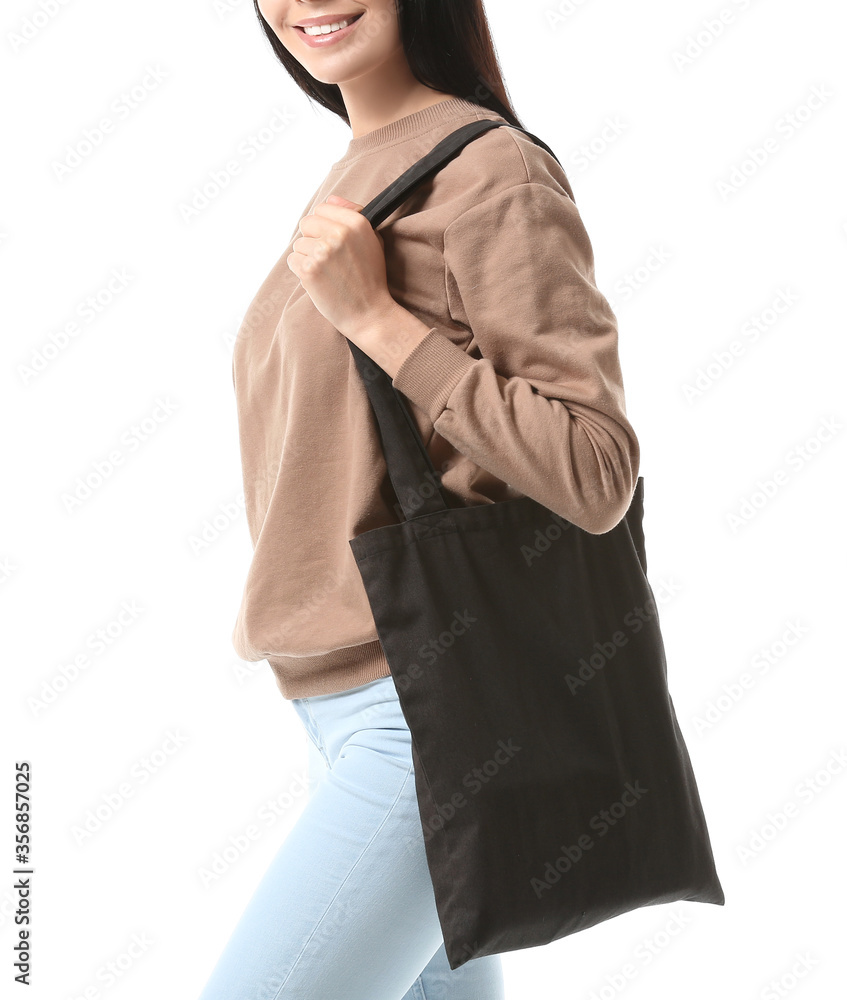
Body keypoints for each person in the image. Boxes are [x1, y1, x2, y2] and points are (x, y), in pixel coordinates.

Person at [196, 1, 640, 997]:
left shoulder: (488, 170)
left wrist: (376, 320)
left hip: (429, 718)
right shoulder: (358, 166)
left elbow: (593, 465)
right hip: (342, 713)